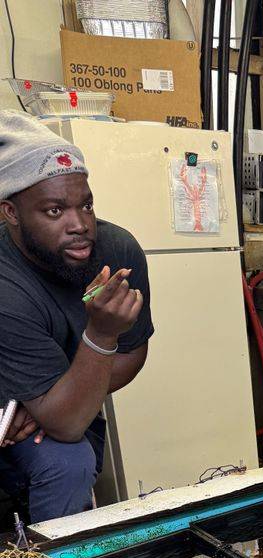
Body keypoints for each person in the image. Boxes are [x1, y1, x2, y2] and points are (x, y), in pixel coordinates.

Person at [0, 111, 153, 523]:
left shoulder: (117, 251)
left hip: (42, 404)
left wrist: (51, 404)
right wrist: (101, 335)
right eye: (54, 211)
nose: (80, 225)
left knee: (69, 463)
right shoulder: (6, 282)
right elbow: (66, 418)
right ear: (10, 213)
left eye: (85, 205)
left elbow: (133, 353)